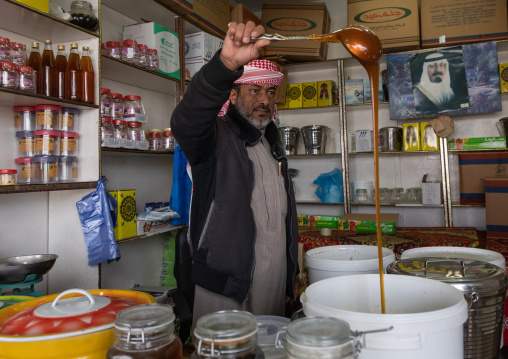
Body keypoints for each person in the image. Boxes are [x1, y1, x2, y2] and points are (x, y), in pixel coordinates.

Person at [170, 21, 299, 325]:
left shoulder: (273, 145)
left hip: (273, 279)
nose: (265, 100)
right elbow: (186, 121)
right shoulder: (214, 137)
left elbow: (284, 218)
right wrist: (226, 65)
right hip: (225, 284)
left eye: (270, 92)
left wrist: (290, 275)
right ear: (232, 96)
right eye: (254, 90)